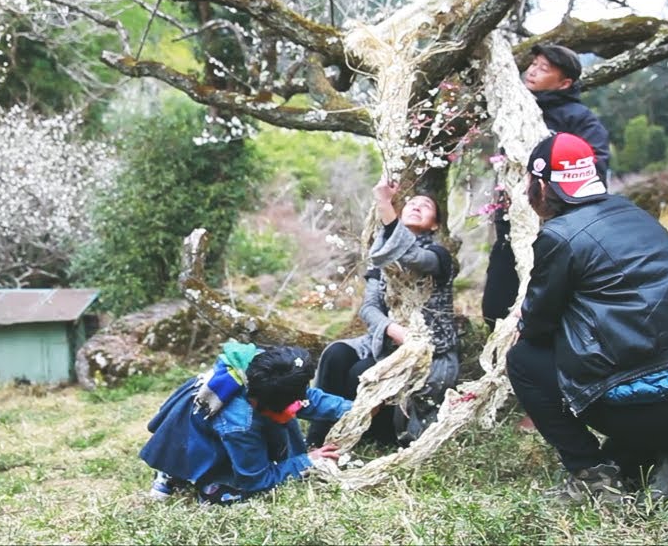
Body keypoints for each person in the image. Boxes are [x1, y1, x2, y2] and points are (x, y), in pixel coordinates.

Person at [507, 132, 668, 506]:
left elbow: (538, 324)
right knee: (630, 438)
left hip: (654, 407)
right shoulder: (636, 214)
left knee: (523, 359)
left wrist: (524, 319)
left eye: (527, 184)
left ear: (540, 184)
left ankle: (591, 476)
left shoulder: (560, 235)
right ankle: (667, 461)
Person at [305, 177, 458, 448]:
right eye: (411, 203)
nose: (416, 206)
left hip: (425, 350)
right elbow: (370, 307)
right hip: (384, 339)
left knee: (361, 373)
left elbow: (414, 259)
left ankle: (360, 435)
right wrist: (390, 328)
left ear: (435, 224)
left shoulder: (440, 256)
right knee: (335, 355)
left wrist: (385, 205)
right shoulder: (382, 258)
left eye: (426, 205)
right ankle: (317, 440)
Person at [481, 43, 611, 333]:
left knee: (546, 303)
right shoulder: (514, 109)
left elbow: (595, 167)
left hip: (556, 228)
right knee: (496, 305)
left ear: (565, 82)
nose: (533, 71)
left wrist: (553, 195)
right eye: (534, 64)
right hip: (511, 222)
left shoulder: (579, 119)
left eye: (544, 68)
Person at [139, 341, 352, 505]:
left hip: (216, 427)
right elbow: (255, 479)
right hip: (195, 438)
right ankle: (175, 472)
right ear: (264, 404)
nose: (298, 405)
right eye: (291, 405)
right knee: (225, 494)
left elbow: (306, 398)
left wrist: (355, 408)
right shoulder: (240, 423)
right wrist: (307, 461)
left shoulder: (262, 369)